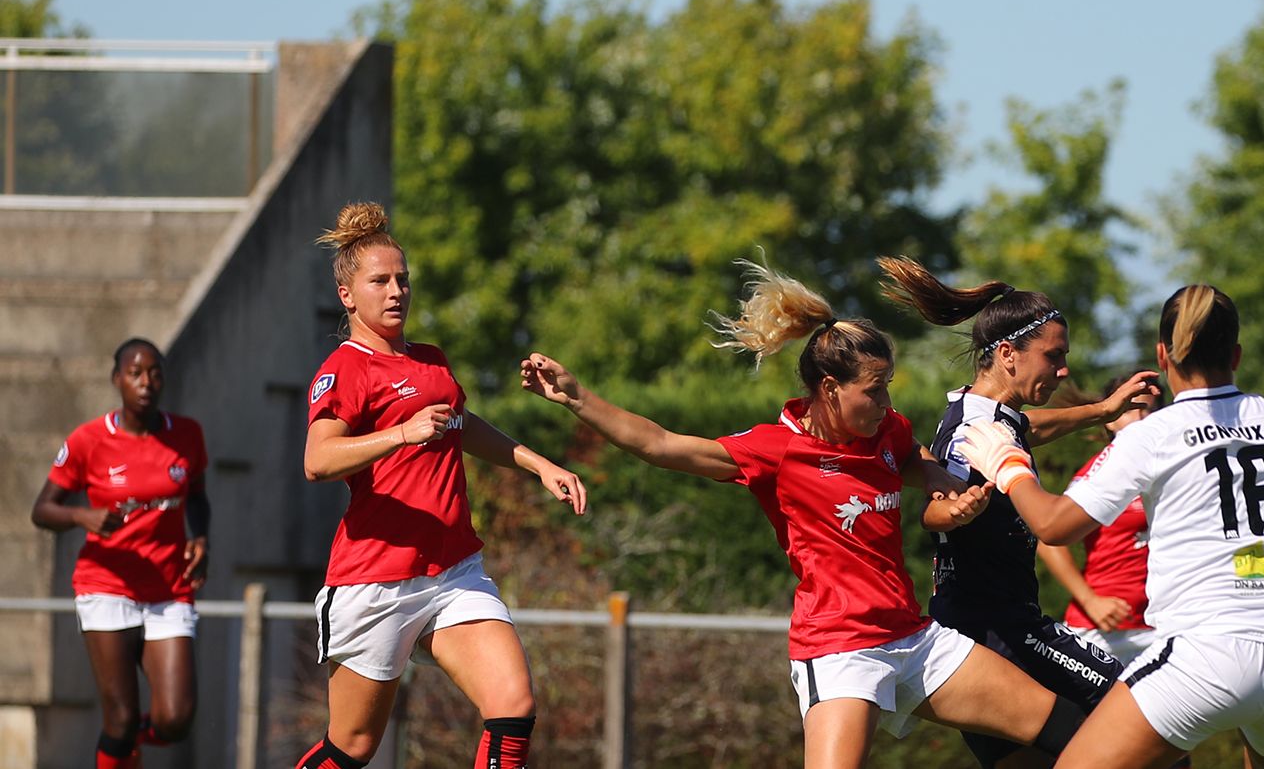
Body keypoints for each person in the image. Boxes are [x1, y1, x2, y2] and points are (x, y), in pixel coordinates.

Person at [517, 258, 1090, 769]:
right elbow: (664, 444)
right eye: (874, 389)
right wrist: (578, 398)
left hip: (916, 640)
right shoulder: (777, 449)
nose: (888, 404)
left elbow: (909, 459)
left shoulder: (885, 432)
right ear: (829, 389)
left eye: (889, 386)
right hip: (840, 650)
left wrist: (943, 482)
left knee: (1080, 735)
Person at [952, 284, 1264, 769]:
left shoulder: (1153, 434)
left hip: (1207, 657)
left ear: (1163, 355)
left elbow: (1054, 526)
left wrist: (1009, 463)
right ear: (1237, 354)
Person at [295, 202, 587, 769]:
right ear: (347, 294)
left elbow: (462, 425)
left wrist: (539, 464)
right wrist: (400, 433)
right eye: (379, 281)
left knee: (513, 706)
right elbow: (317, 460)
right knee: (352, 747)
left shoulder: (431, 361)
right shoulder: (345, 369)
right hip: (375, 581)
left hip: (453, 573)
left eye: (403, 279)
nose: (396, 291)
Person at [877, 256, 1159, 769]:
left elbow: (1033, 428)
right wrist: (956, 511)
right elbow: (933, 514)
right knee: (1144, 719)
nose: (1064, 368)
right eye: (1054, 356)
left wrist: (1102, 410)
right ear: (1008, 354)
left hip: (984, 624)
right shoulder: (973, 431)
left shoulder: (995, 414)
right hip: (999, 630)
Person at [31, 338, 209, 769]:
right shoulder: (89, 440)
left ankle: (122, 746)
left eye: (154, 372)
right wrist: (81, 517)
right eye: (135, 373)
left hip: (168, 588)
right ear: (117, 380)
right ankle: (120, 743)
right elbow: (42, 510)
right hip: (107, 587)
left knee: (176, 718)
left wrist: (201, 538)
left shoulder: (186, 434)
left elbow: (199, 497)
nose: (145, 382)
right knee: (121, 718)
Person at [1035, 370, 1164, 667]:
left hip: (1162, 627)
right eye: (1133, 408)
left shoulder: (1174, 467)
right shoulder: (1102, 472)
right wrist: (1090, 600)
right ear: (1110, 417)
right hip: (1104, 632)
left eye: (1151, 410)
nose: (1143, 418)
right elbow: (1049, 538)